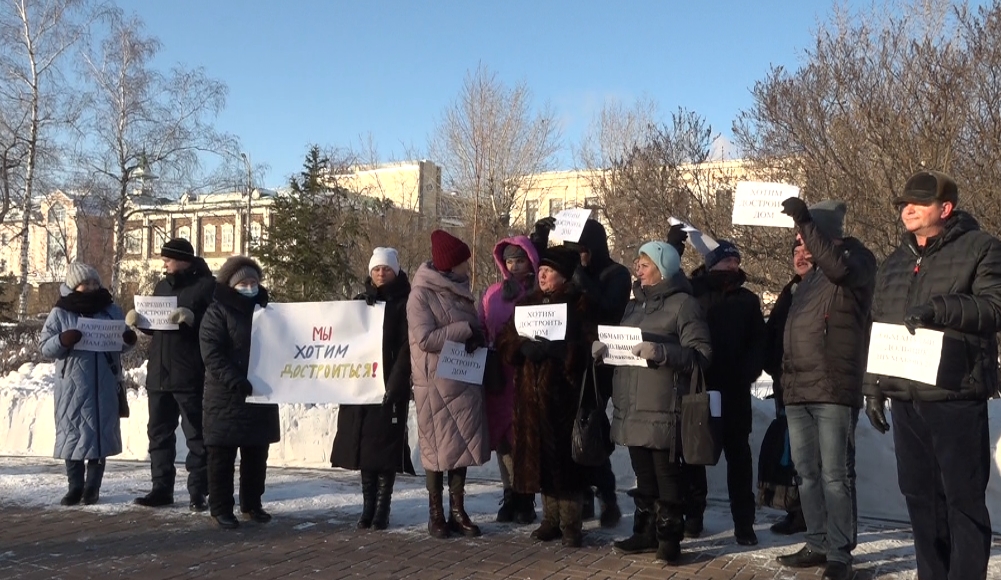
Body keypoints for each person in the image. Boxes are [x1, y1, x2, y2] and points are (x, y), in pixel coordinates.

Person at [863, 170, 1001, 580]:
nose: (907, 209)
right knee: (920, 499)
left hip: (955, 394)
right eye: (904, 203)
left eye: (918, 203)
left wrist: (940, 309)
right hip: (907, 399)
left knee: (963, 501)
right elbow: (880, 325)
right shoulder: (893, 262)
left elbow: (994, 308)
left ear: (945, 208)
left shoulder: (982, 248)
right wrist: (873, 388)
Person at [775, 198, 876, 580]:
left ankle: (839, 553)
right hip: (800, 391)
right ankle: (816, 542)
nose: (802, 244)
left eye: (807, 234)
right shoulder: (810, 280)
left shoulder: (856, 259)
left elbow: (839, 266)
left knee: (836, 474)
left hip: (833, 387)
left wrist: (804, 219)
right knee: (807, 473)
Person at [594, 241, 712, 563]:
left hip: (664, 407)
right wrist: (605, 351)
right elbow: (625, 347)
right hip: (631, 406)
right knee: (643, 475)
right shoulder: (634, 305)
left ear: (663, 268)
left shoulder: (683, 304)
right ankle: (645, 532)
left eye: (644, 264)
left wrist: (661, 352)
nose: (638, 269)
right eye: (637, 263)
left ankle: (670, 538)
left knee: (667, 475)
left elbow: (701, 355)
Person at [496, 246, 596, 547]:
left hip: (563, 397)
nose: (541, 275)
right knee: (540, 461)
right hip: (529, 400)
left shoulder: (578, 304)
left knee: (566, 466)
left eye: (548, 272)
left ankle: (571, 525)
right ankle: (550, 520)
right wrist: (520, 347)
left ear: (563, 276)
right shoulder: (528, 303)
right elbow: (504, 338)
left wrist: (562, 352)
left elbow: (589, 344)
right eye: (540, 271)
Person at [533, 216, 628, 527]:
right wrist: (540, 238)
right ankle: (581, 497)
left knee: (588, 433)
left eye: (583, 250)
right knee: (566, 436)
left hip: (599, 365)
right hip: (568, 364)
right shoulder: (575, 274)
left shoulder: (615, 273)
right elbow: (544, 275)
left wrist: (580, 278)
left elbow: (610, 309)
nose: (579, 256)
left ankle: (607, 495)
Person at [681, 240, 765, 546]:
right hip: (699, 385)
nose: (732, 266)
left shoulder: (747, 300)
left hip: (734, 390)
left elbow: (759, 342)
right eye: (726, 261)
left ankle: (744, 522)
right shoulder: (693, 293)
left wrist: (749, 371)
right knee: (694, 453)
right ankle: (693, 515)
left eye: (735, 261)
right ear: (711, 263)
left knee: (738, 457)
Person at [407, 230, 490, 539]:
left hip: (463, 377)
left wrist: (477, 335)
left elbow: (470, 327)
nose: (468, 266)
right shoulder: (421, 294)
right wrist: (464, 329)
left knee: (460, 447)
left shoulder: (460, 289)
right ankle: (436, 513)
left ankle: (458, 510)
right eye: (463, 261)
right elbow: (426, 338)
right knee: (436, 449)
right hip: (435, 382)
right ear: (450, 265)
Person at [330, 247, 415, 530]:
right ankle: (367, 507)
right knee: (365, 449)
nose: (381, 273)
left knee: (385, 450)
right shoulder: (359, 302)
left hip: (389, 385)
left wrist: (396, 382)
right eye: (376, 269)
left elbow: (407, 347)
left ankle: (382, 509)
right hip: (361, 386)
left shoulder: (405, 302)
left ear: (396, 271)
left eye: (386, 269)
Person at [129, 238, 215, 511]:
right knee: (159, 433)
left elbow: (214, 326)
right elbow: (158, 325)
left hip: (189, 373)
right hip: (158, 374)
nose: (163, 263)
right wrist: (141, 323)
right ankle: (161, 488)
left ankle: (198, 491)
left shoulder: (206, 287)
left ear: (182, 259)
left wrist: (192, 320)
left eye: (167, 258)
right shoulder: (161, 286)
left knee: (196, 435)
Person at [39, 263, 136, 506]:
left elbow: (121, 343)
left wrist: (128, 339)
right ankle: (75, 487)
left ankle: (93, 488)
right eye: (86, 283)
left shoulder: (111, 310)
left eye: (95, 283)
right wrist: (63, 339)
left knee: (100, 438)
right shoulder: (60, 313)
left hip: (105, 385)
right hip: (73, 387)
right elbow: (45, 347)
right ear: (73, 286)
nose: (92, 287)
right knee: (73, 436)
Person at [199, 256, 280, 529]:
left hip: (260, 394)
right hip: (226, 398)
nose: (249, 286)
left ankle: (252, 504)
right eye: (243, 282)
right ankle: (221, 507)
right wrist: (234, 379)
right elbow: (212, 352)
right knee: (221, 457)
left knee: (256, 455)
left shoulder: (268, 311)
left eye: (253, 282)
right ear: (231, 285)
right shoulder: (217, 312)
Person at [478, 236, 540, 524]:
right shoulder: (492, 293)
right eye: (510, 260)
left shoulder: (540, 292)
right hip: (498, 375)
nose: (514, 266)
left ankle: (526, 495)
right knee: (504, 438)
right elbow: (482, 325)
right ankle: (510, 493)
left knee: (525, 437)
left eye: (520, 259)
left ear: (531, 260)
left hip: (529, 371)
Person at [760, 240, 813, 536]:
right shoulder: (790, 290)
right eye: (795, 252)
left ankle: (811, 514)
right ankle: (797, 510)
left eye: (807, 252)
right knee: (791, 452)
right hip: (786, 383)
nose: (800, 257)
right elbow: (773, 334)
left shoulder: (824, 288)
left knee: (811, 455)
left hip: (814, 385)